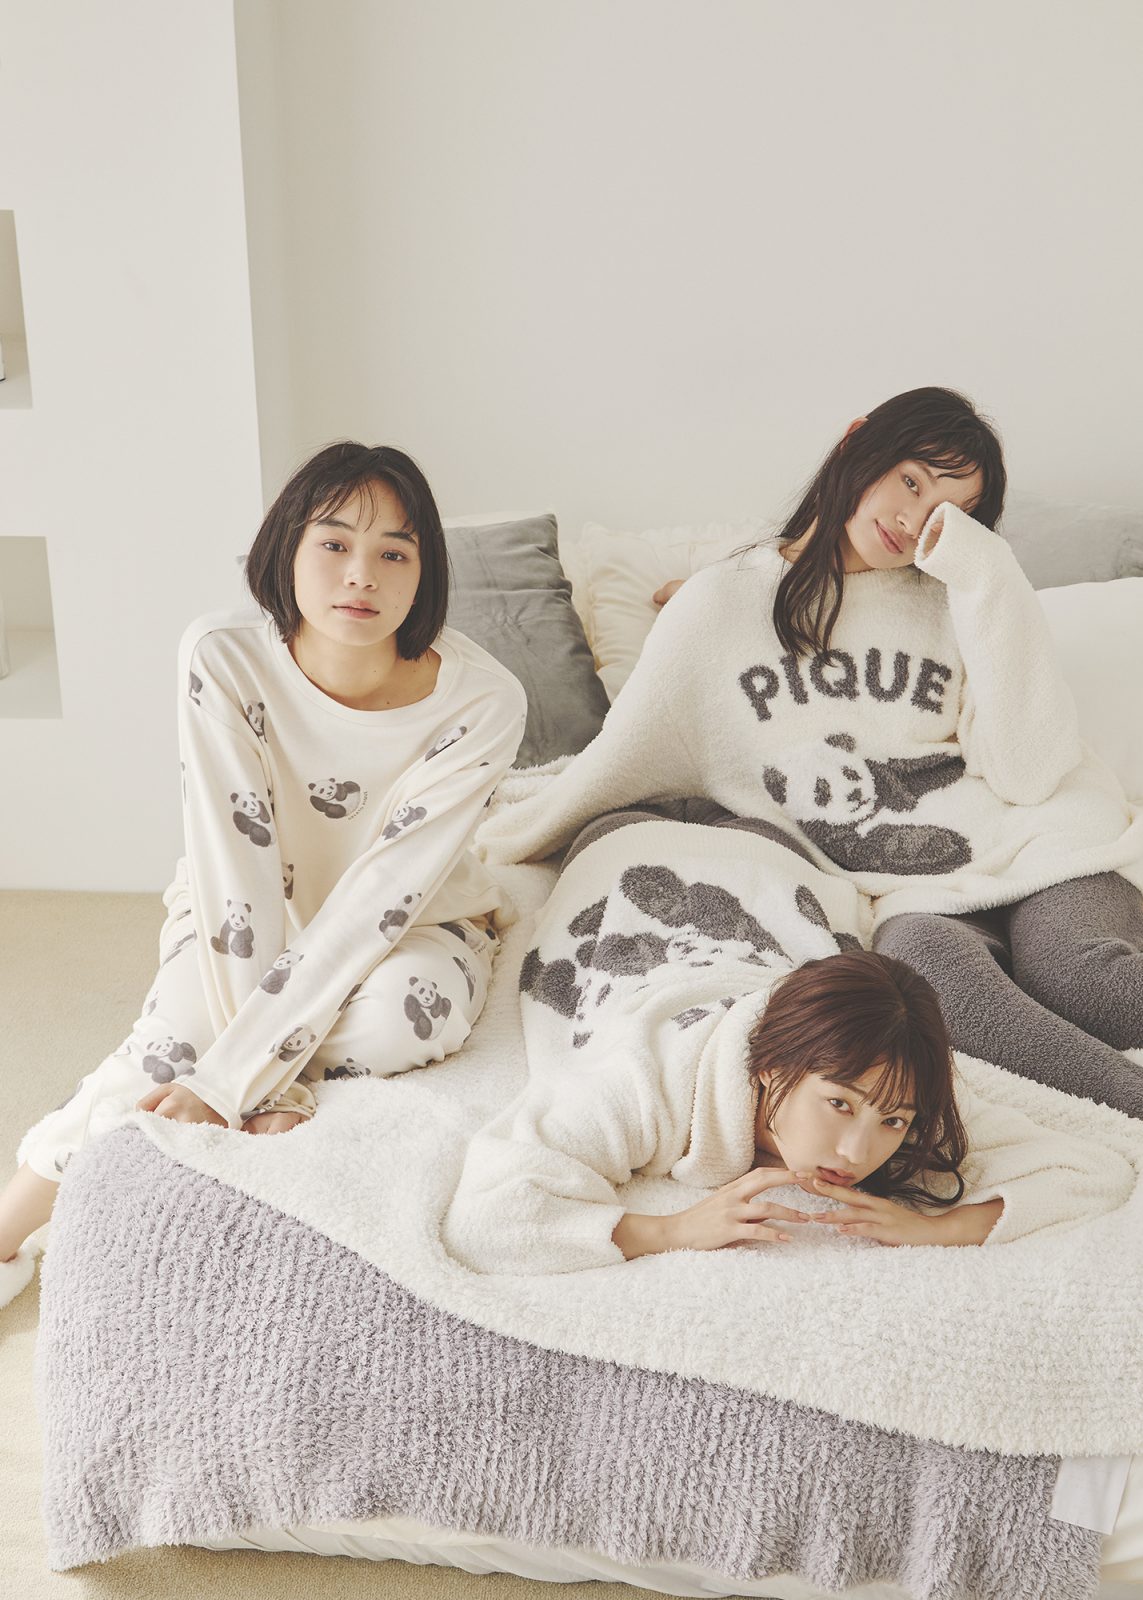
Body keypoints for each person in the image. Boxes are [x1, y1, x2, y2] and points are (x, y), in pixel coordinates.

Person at [476, 387, 1143, 1117]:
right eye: (911, 481)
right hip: (905, 893)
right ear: (856, 442)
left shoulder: (964, 596)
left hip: (1045, 843)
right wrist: (500, 846)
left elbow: (1029, 772)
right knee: (932, 990)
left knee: (1089, 985)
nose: (915, 520)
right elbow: (629, 756)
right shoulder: (720, 605)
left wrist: (988, 573)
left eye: (949, 512)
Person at [0, 442, 528, 1302]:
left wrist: (239, 1077)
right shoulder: (223, 656)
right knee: (174, 1045)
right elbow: (235, 867)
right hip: (236, 909)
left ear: (425, 573)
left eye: (394, 553)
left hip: (419, 920)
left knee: (407, 1019)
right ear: (286, 546)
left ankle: (279, 1074)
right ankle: (7, 1228)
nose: (361, 575)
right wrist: (232, 1078)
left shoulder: (483, 700)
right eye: (334, 543)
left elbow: (381, 899)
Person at [443, 929, 1133, 1278]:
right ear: (771, 1069)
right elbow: (491, 1219)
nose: (857, 1153)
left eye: (892, 1122)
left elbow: (1093, 1170)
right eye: (839, 1105)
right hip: (637, 901)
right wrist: (669, 1230)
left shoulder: (897, 1079)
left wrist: (938, 1228)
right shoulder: (643, 1078)